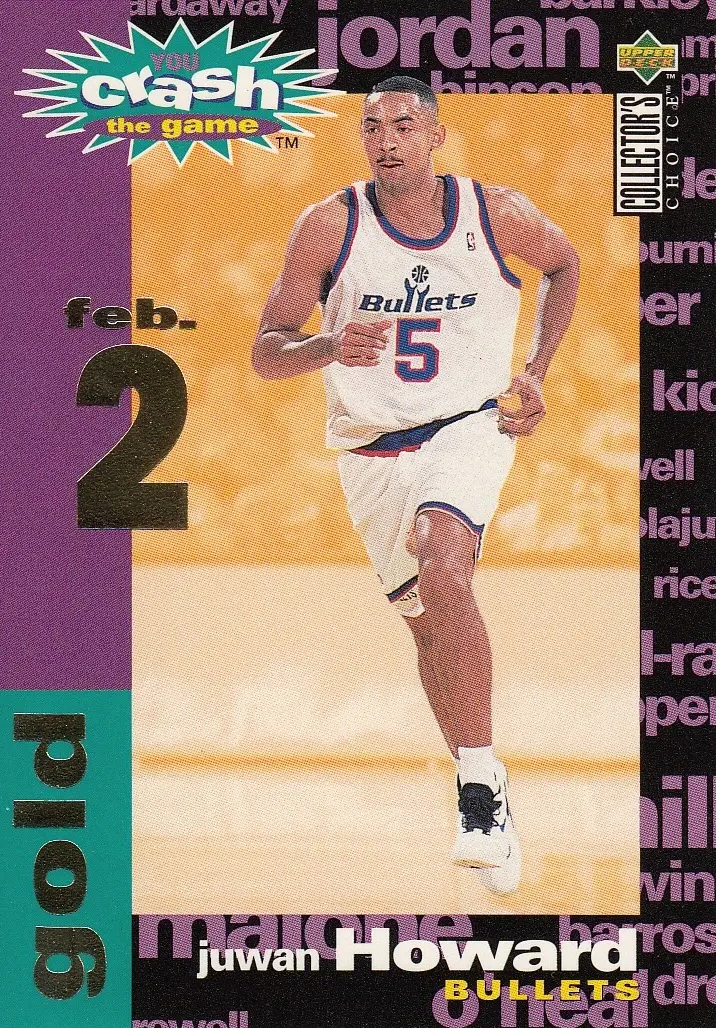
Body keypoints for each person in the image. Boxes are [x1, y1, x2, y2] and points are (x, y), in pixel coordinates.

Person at [252, 75, 579, 894]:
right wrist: (328, 346)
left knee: (443, 560)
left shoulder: (494, 213)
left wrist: (536, 370)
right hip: (369, 450)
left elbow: (565, 263)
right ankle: (483, 781)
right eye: (372, 127)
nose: (387, 140)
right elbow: (265, 352)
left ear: (436, 135)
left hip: (467, 424)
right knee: (428, 631)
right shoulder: (329, 225)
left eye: (403, 125)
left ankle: (478, 787)